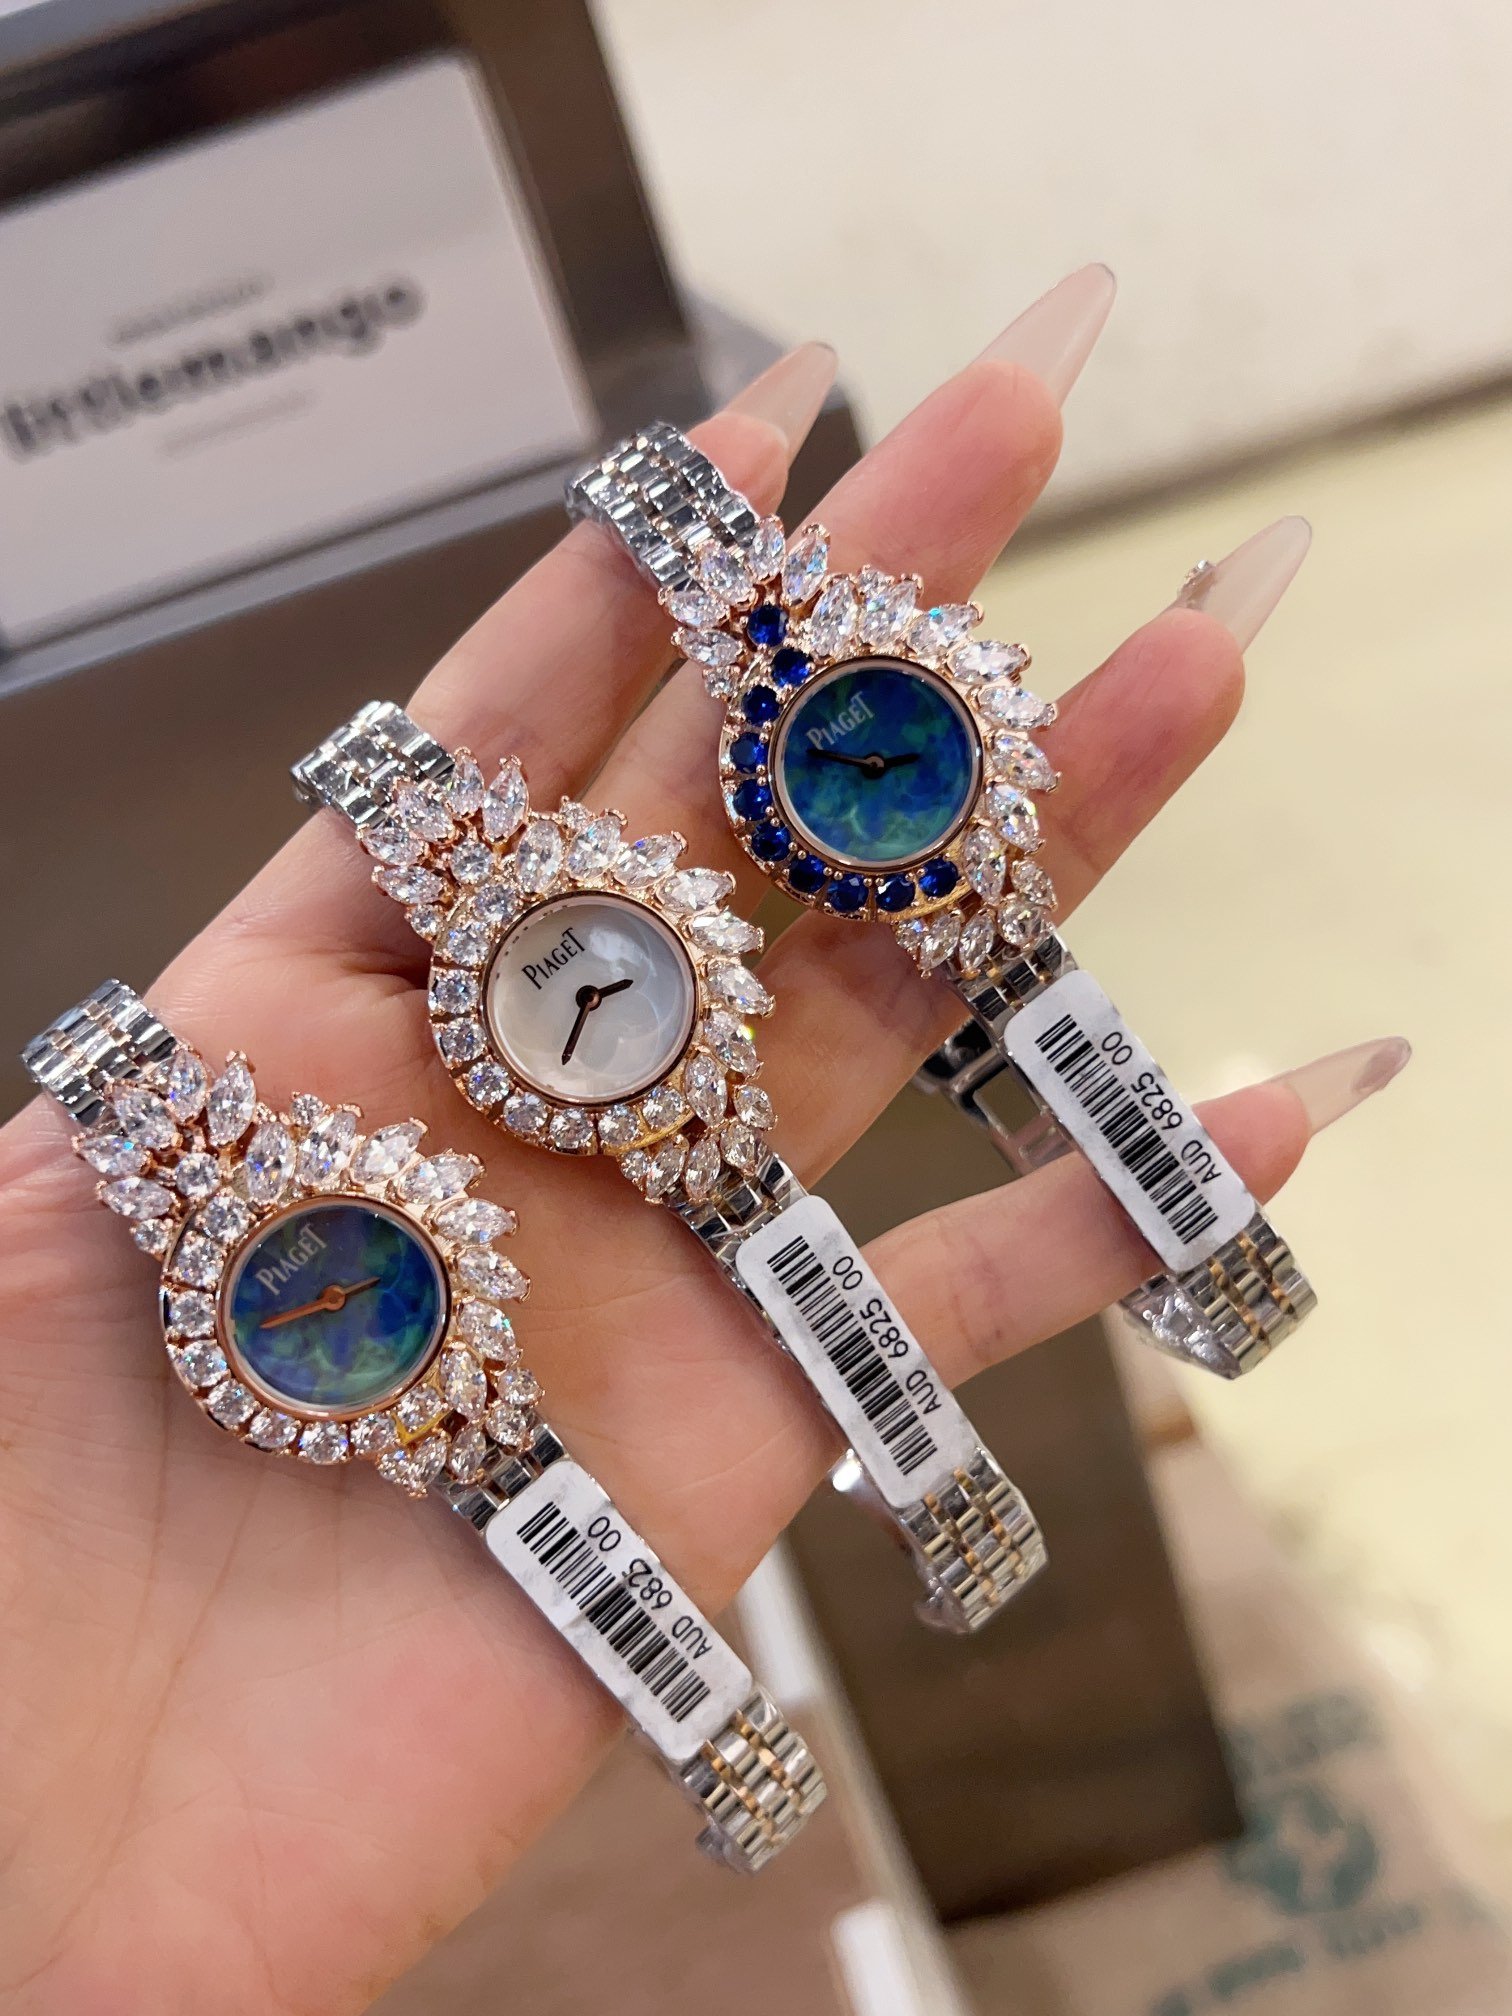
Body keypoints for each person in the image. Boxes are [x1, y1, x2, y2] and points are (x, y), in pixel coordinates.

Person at [0, 266, 1407, 2013]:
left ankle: (1116, 1343)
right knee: (819, 1230)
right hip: (573, 1190)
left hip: (744, 1000)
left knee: (943, 1080)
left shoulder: (730, 813)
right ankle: (888, 1567)